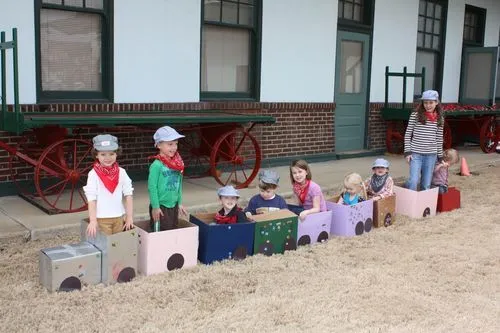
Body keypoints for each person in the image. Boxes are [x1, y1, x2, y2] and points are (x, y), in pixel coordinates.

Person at [84, 134, 134, 237]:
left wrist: (129, 217)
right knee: (106, 247)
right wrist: (93, 220)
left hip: (119, 217)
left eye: (111, 154)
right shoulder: (93, 174)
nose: (108, 158)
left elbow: (128, 195)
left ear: (117, 154)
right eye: (103, 154)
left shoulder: (122, 172)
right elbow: (91, 199)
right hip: (101, 219)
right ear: (96, 155)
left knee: (118, 245)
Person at [148, 126, 188, 231]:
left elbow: (179, 184)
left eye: (176, 144)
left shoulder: (178, 164)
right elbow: (152, 187)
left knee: (172, 231)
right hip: (161, 207)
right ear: (159, 145)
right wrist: (155, 206)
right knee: (160, 235)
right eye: (170, 144)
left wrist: (179, 203)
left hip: (173, 205)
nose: (174, 147)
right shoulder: (156, 165)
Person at [404, 89, 444, 191]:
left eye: (431, 102)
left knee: (426, 184)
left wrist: (440, 157)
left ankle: (421, 205)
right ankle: (409, 201)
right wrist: (407, 152)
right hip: (416, 154)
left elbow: (439, 138)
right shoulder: (415, 115)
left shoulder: (440, 119)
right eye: (425, 102)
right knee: (414, 181)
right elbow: (408, 134)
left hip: (431, 155)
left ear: (436, 102)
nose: (428, 105)